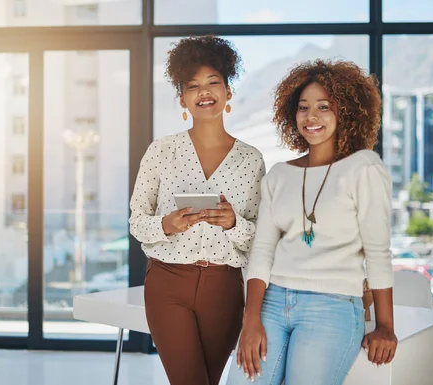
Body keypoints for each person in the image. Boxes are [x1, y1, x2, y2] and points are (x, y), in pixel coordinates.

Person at [228, 59, 397, 385]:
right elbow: (262, 250)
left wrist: (385, 326)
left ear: (346, 112)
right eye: (303, 107)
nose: (312, 116)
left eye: (324, 106)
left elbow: (378, 251)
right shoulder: (279, 175)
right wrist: (251, 320)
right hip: (273, 302)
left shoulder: (363, 169)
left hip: (332, 305)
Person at [129, 35, 266, 385]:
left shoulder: (251, 160)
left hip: (224, 289)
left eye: (213, 83)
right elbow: (137, 221)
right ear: (183, 99)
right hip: (168, 283)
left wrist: (234, 223)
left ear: (228, 92)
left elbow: (259, 237)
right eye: (193, 86)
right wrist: (168, 224)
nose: (204, 92)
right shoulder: (161, 151)